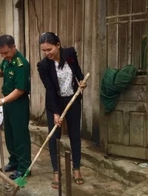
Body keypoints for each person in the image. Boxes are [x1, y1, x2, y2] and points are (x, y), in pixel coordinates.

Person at [36, 32, 87, 189]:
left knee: (75, 135)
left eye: (49, 49)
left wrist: (81, 82)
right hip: (55, 103)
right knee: (54, 137)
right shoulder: (43, 66)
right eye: (44, 50)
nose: (47, 53)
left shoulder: (70, 54)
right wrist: (56, 112)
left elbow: (77, 72)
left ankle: (76, 169)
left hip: (72, 101)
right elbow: (50, 89)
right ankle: (56, 172)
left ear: (58, 45)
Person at [0, 35, 31, 180]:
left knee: (20, 136)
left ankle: (24, 167)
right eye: (1, 53)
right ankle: (14, 161)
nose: (3, 55)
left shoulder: (21, 64)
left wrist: (2, 100)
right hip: (8, 102)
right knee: (10, 134)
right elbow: (3, 72)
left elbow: (20, 90)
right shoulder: (7, 60)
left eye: (6, 52)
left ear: (13, 47)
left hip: (18, 103)